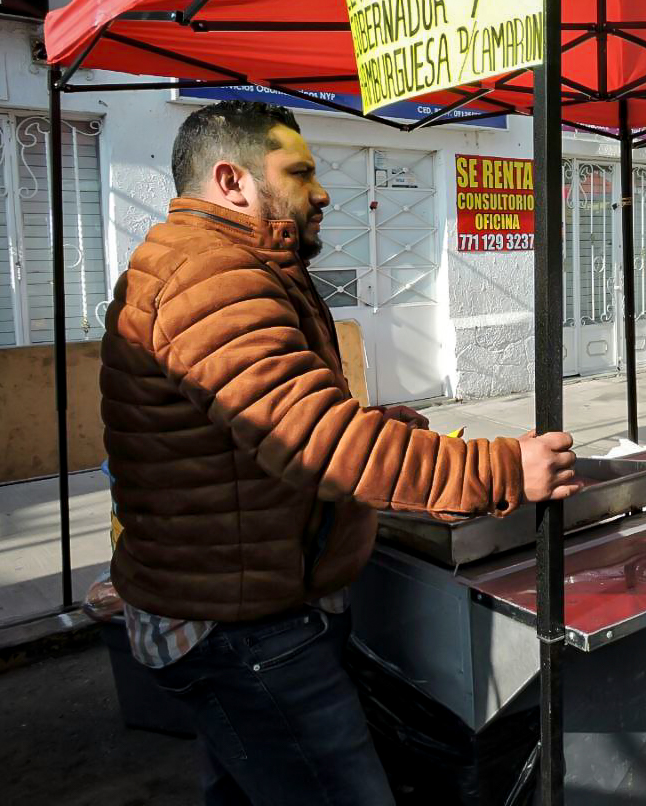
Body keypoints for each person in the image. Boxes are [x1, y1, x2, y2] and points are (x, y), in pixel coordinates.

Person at [100, 101, 579, 806]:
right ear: (232, 182)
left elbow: (257, 419)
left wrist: (374, 423)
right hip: (245, 629)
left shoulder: (226, 262)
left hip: (235, 602)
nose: (322, 192)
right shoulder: (210, 275)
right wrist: (504, 468)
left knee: (247, 787)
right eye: (299, 173)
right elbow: (314, 440)